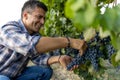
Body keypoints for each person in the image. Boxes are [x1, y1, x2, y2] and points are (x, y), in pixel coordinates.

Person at [0, 0, 87, 80]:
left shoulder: (34, 34)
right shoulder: (9, 29)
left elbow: (37, 58)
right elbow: (30, 46)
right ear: (25, 16)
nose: (42, 22)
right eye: (39, 17)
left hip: (15, 75)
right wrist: (69, 42)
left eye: (44, 18)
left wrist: (59, 58)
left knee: (46, 71)